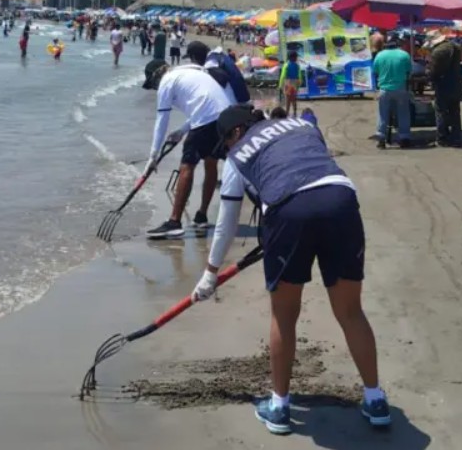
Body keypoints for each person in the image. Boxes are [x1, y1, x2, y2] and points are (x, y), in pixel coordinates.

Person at [191, 105, 391, 435]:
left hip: (289, 211)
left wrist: (210, 273)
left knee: (284, 316)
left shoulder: (240, 152)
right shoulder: (299, 125)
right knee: (351, 311)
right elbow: (308, 169)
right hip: (340, 198)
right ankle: (375, 400)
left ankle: (280, 408)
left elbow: (227, 223)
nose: (227, 150)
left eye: (225, 142)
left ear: (236, 133)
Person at [141, 42, 231, 239]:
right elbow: (205, 105)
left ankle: (174, 222)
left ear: (156, 76)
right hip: (225, 118)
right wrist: (182, 130)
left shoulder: (167, 81)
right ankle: (201, 217)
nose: (155, 89)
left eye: (153, 85)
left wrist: (153, 155)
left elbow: (162, 119)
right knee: (210, 161)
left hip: (208, 120)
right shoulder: (192, 72)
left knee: (187, 165)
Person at [372, 39, 413, 150]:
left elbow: (375, 71)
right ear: (397, 46)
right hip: (401, 89)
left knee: (383, 114)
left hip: (384, 89)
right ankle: (404, 138)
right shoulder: (404, 54)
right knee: (403, 113)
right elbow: (409, 71)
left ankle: (381, 138)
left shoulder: (380, 55)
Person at [429, 37, 462, 147]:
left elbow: (434, 72)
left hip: (443, 85)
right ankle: (456, 138)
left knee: (441, 111)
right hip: (456, 84)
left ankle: (442, 138)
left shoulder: (438, 51)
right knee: (455, 112)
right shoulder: (456, 48)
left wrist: (430, 78)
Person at [278, 50, 305, 118]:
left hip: (288, 83)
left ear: (288, 57)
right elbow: (299, 75)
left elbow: (283, 75)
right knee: (294, 99)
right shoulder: (297, 65)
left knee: (288, 99)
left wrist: (280, 85)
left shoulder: (286, 65)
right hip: (295, 83)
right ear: (295, 57)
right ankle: (295, 112)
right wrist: (300, 83)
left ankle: (287, 113)